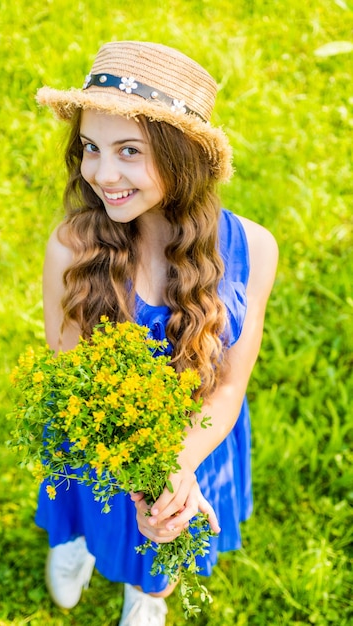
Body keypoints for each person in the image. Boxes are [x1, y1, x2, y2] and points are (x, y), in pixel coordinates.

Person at [34, 40, 278, 625]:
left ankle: (149, 594)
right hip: (98, 435)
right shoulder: (73, 249)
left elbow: (228, 388)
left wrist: (175, 472)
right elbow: (72, 380)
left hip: (196, 438)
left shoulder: (254, 248)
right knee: (90, 510)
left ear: (182, 157)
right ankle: (77, 545)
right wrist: (142, 477)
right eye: (91, 148)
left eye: (129, 151)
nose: (102, 173)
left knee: (166, 533)